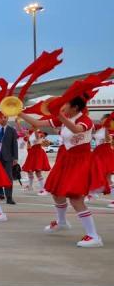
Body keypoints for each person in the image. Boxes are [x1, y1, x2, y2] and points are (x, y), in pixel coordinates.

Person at [19, 95, 106, 247]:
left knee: (76, 199)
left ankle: (94, 236)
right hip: (66, 160)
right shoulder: (64, 118)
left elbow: (76, 129)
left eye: (65, 104)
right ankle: (62, 222)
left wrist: (59, 115)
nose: (62, 107)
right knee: (57, 194)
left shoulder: (85, 120)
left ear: (75, 107)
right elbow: (37, 123)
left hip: (81, 161)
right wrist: (19, 112)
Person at [0, 112, 18, 204]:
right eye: (1, 118)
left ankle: (9, 198)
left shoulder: (12, 130)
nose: (3, 119)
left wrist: (15, 157)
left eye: (5, 117)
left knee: (8, 178)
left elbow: (14, 144)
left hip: (7, 158)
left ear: (8, 118)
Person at [21, 129, 51, 195]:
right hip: (32, 152)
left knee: (38, 172)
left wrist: (35, 130)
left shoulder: (38, 133)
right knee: (29, 170)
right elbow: (25, 136)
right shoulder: (30, 134)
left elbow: (37, 137)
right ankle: (30, 186)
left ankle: (43, 189)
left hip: (37, 152)